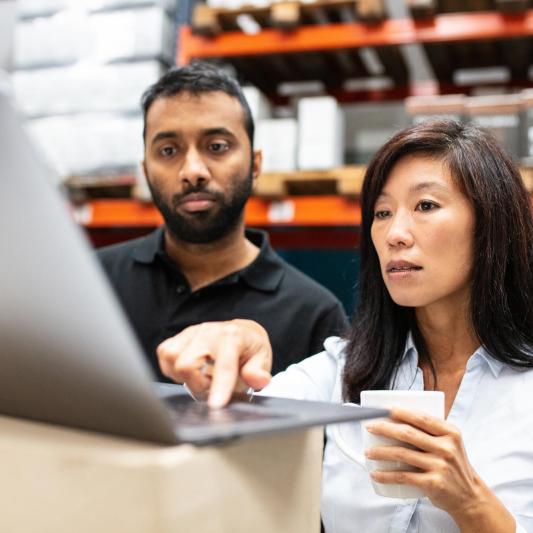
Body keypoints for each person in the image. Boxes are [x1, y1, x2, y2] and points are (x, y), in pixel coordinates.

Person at [156, 119, 533, 532]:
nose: (395, 233)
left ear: (491, 224)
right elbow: (243, 409)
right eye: (382, 212)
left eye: (425, 206)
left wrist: (472, 504)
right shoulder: (346, 368)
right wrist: (236, 348)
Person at [98, 63, 348, 381]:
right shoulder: (94, 282)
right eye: (168, 150)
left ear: (255, 165)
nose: (193, 171)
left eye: (217, 147)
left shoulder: (314, 314)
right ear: (146, 171)